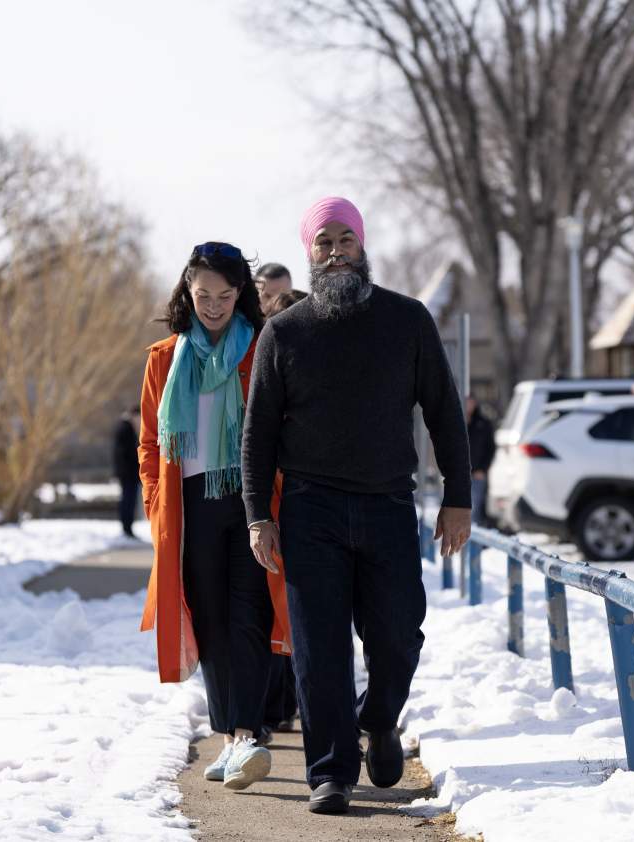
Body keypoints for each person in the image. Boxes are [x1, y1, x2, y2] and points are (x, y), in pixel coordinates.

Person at [242, 197, 472, 815]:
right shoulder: (283, 333)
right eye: (324, 242)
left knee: (399, 635)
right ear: (309, 254)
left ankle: (379, 718)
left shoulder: (407, 320)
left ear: (363, 246)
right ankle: (332, 772)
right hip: (311, 508)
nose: (336, 250)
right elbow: (258, 431)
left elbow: (445, 413)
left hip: (388, 504)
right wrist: (258, 513)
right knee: (319, 649)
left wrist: (458, 498)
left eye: (346, 239)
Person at [138, 241, 292, 792]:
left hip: (251, 503)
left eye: (225, 295)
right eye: (203, 294)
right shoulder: (163, 358)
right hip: (189, 506)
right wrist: (156, 498)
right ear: (187, 290)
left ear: (240, 295)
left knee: (248, 615)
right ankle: (230, 738)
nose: (213, 305)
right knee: (209, 621)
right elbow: (150, 443)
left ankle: (247, 735)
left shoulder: (261, 349)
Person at [257, 286, 309, 738]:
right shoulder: (265, 366)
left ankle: (294, 704)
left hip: (309, 499)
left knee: (300, 611)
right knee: (277, 606)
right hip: (273, 498)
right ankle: (274, 707)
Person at [465, 396, 496, 527]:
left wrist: (483, 469)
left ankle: (473, 545)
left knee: (475, 510)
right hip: (459, 474)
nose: (468, 405)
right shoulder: (456, 421)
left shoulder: (483, 423)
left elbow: (491, 448)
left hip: (477, 473)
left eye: (470, 401)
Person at [112, 405, 141, 538]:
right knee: (128, 500)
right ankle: (127, 528)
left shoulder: (124, 427)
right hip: (128, 473)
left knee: (129, 500)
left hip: (127, 473)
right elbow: (125, 453)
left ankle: (127, 527)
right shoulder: (126, 428)